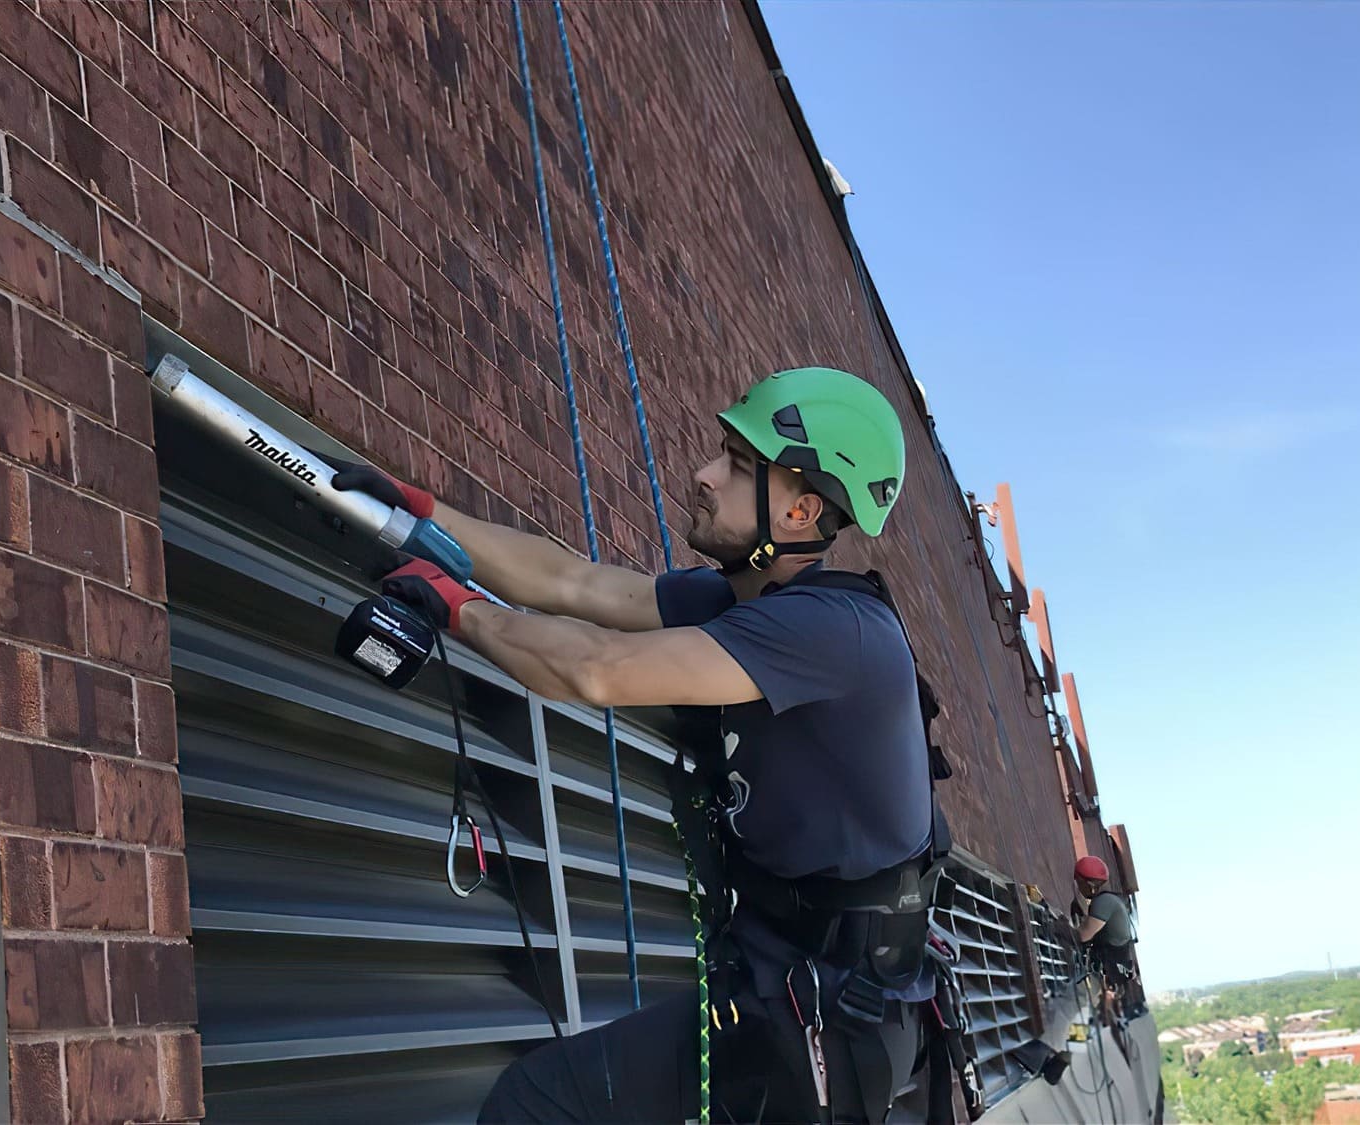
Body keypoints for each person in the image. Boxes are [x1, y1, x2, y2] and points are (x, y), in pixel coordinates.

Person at [335, 368, 948, 1123]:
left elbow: (598, 666)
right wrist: (423, 511)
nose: (704, 474)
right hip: (780, 978)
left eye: (739, 465)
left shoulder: (834, 635)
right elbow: (577, 583)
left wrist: (458, 610)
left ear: (799, 508)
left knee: (536, 1103)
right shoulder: (739, 599)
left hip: (827, 1021)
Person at [1071, 856, 1142, 1022]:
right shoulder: (1110, 899)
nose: (1077, 886)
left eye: (1078, 882)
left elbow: (1082, 935)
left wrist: (1059, 926)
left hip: (1108, 971)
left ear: (1088, 883)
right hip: (1113, 968)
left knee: (1071, 1002)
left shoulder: (1103, 902)